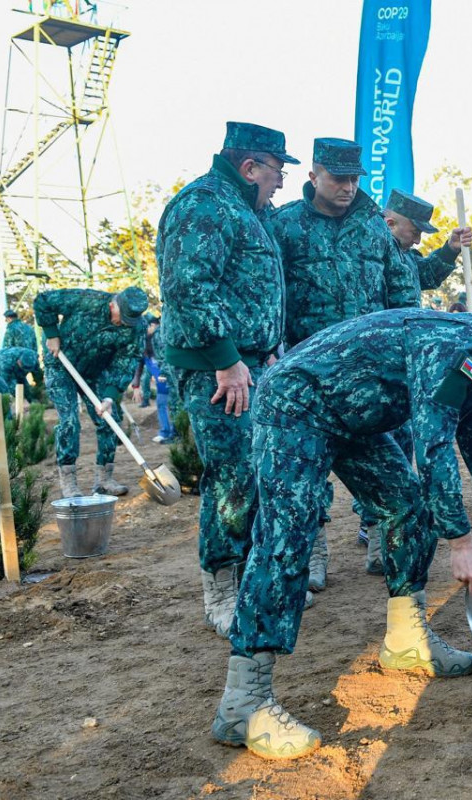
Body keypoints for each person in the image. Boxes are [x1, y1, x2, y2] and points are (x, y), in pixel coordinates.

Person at [212, 295, 472, 760]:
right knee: (288, 537)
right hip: (298, 404)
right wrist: (462, 542)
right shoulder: (454, 345)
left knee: (408, 508)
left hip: (352, 420)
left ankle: (406, 640)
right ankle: (244, 702)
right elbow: (433, 446)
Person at [272, 137, 459, 592]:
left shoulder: (374, 229)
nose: (348, 187)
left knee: (390, 460)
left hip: (369, 375)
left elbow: (401, 296)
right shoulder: (284, 226)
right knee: (307, 471)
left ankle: (380, 540)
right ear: (314, 176)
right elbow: (271, 296)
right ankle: (314, 554)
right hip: (307, 375)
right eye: (338, 178)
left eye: (355, 178)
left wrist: (404, 357)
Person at [157, 121, 296, 638]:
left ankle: (249, 575)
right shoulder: (205, 205)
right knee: (231, 477)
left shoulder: (246, 209)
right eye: (278, 171)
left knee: (257, 471)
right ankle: (219, 586)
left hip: (253, 364)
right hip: (221, 371)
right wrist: (225, 358)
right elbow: (187, 287)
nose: (281, 182)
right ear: (250, 166)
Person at [34, 287, 147, 497]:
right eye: (121, 318)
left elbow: (126, 361)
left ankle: (104, 480)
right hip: (61, 364)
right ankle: (69, 482)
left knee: (108, 418)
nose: (123, 324)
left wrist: (109, 395)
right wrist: (51, 334)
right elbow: (44, 301)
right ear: (113, 305)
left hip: (94, 372)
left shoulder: (136, 328)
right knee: (69, 421)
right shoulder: (86, 300)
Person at [382, 188, 472, 304]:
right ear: (391, 224)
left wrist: (450, 249)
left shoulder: (405, 254)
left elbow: (427, 275)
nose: (418, 241)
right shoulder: (369, 252)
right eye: (414, 233)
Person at [130, 313, 175, 444]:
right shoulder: (144, 342)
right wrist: (136, 386)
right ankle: (165, 432)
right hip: (161, 384)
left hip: (172, 382)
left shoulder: (162, 338)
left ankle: (176, 434)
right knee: (161, 405)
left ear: (153, 325)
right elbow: (140, 364)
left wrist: (165, 373)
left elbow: (169, 358)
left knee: (174, 407)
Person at [3, 308, 40, 395]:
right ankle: (42, 399)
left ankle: (26, 400)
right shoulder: (28, 327)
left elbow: (7, 348)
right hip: (32, 357)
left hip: (19, 360)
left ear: (9, 318)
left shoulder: (11, 329)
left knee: (19, 381)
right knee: (39, 381)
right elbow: (35, 342)